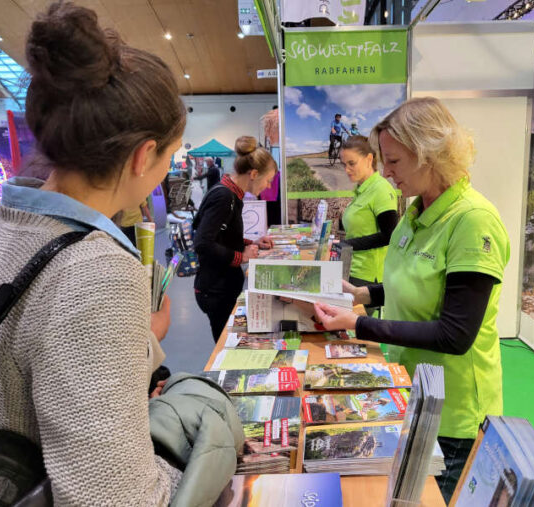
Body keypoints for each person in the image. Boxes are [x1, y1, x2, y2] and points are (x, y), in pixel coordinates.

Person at [0, 2, 186, 504]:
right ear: (143, 155)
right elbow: (112, 494)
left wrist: (138, 343)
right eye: (170, 156)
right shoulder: (97, 270)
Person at [314, 97, 510, 503]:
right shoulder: (416, 212)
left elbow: (455, 334)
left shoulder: (472, 221)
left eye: (395, 162)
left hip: (452, 411)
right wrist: (363, 294)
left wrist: (357, 323)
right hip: (410, 385)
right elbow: (413, 285)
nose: (386, 172)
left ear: (431, 153)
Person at [193, 136, 277, 342]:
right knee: (226, 345)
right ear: (254, 174)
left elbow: (223, 236)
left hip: (222, 286)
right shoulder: (224, 197)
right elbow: (203, 244)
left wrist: (252, 243)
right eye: (268, 180)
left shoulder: (232, 194)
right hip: (215, 290)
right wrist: (241, 256)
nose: (267, 186)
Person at [339, 135, 398, 293]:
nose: (346, 170)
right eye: (344, 164)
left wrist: (347, 244)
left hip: (368, 276)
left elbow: (389, 235)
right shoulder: (361, 190)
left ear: (368, 159)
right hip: (352, 269)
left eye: (352, 163)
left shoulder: (380, 189)